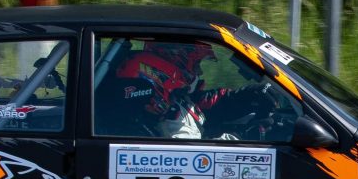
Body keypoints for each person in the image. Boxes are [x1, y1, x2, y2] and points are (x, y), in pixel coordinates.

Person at [111, 41, 279, 139]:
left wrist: (244, 94)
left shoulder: (175, 101)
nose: (199, 72)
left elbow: (205, 103)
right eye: (197, 65)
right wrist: (246, 137)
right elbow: (201, 155)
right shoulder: (168, 122)